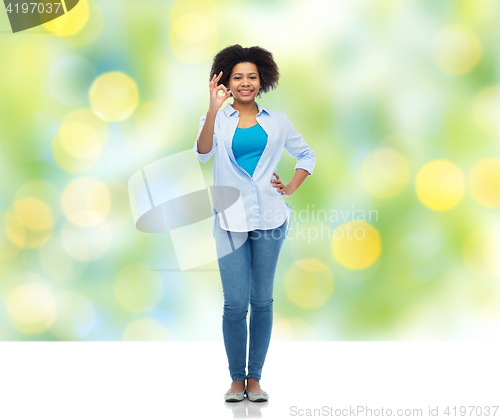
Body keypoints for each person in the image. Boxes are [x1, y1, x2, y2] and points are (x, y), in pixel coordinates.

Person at [193, 44, 316, 402]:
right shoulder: (215, 119)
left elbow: (306, 153)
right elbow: (202, 153)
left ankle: (255, 379)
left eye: (251, 77)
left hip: (271, 217)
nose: (245, 83)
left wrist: (291, 185)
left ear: (262, 80)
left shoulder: (277, 121)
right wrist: (213, 111)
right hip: (229, 219)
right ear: (226, 82)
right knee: (235, 303)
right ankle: (236, 380)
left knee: (262, 300)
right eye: (237, 78)